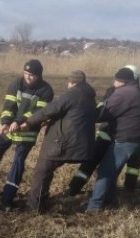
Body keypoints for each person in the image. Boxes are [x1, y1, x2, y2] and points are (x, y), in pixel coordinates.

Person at [0, 59, 54, 211]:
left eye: (32, 75)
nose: (28, 77)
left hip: (27, 132)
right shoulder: (15, 84)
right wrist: (5, 122)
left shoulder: (46, 90)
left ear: (39, 75)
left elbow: (38, 112)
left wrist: (19, 121)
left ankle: (7, 198)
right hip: (9, 129)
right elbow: (8, 106)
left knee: (18, 162)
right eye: (26, 73)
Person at [20, 70, 97, 213]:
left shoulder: (72, 94)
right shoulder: (90, 97)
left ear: (71, 82)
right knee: (47, 169)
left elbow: (50, 110)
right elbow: (72, 114)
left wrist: (29, 123)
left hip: (64, 143)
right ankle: (42, 198)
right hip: (82, 145)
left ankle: (35, 205)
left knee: (42, 170)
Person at [67, 65, 140, 196]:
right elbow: (102, 107)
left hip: (119, 137)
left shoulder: (133, 94)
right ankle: (74, 187)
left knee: (110, 168)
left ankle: (108, 192)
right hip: (107, 133)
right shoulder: (113, 91)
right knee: (90, 162)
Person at [86, 67, 140, 214]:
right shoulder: (139, 92)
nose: (113, 84)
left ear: (121, 81)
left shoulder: (123, 93)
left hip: (127, 140)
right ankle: (109, 199)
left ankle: (94, 207)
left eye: (115, 80)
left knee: (105, 171)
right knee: (113, 170)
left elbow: (104, 114)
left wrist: (89, 112)